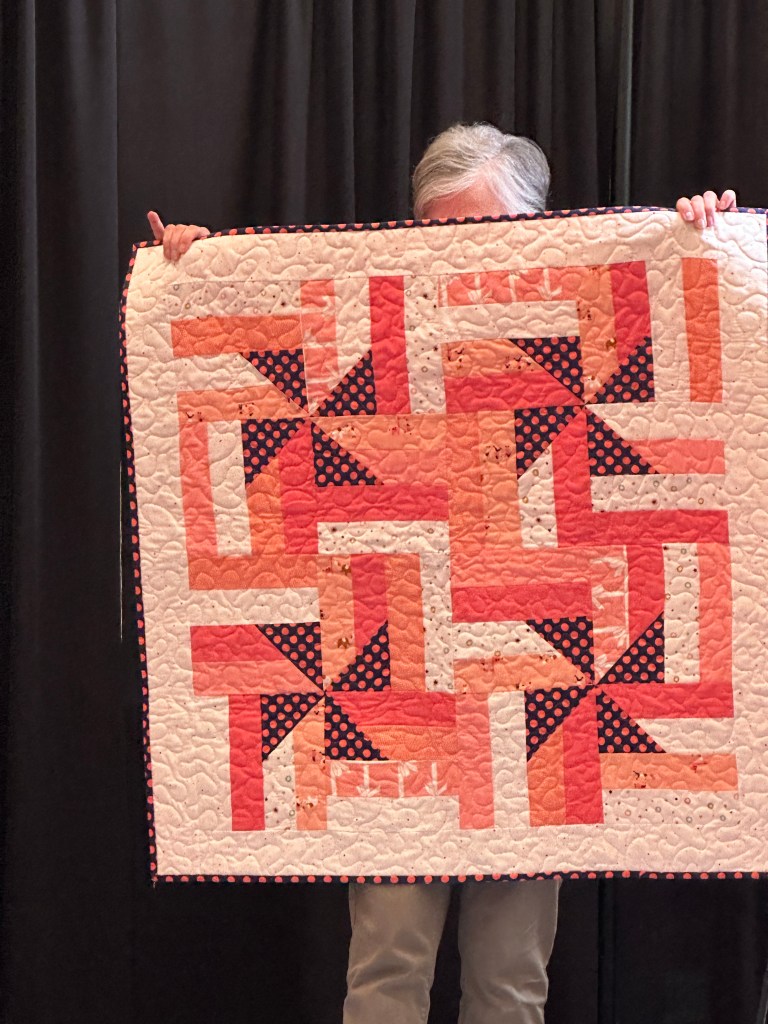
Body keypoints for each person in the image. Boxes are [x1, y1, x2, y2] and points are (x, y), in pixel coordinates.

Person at [147, 123, 736, 1024]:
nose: (458, 253)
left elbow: (676, 401)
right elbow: (261, 386)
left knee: (509, 981)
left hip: (539, 690)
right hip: (396, 691)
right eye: (438, 230)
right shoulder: (377, 336)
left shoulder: (580, 327)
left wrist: (704, 242)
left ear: (538, 225)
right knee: (387, 969)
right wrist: (197, 274)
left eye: (483, 229)